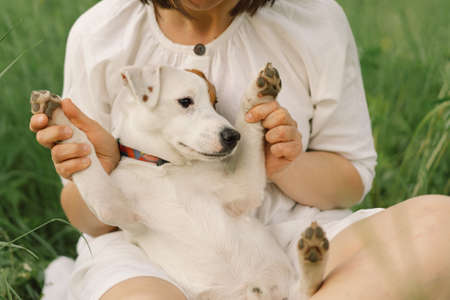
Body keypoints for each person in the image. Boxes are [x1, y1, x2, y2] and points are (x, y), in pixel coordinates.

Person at [30, 0, 450, 299]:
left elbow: (350, 179)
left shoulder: (314, 19)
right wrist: (97, 168)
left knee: (441, 227)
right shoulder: (101, 32)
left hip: (291, 233)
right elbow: (99, 216)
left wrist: (282, 163)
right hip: (153, 255)